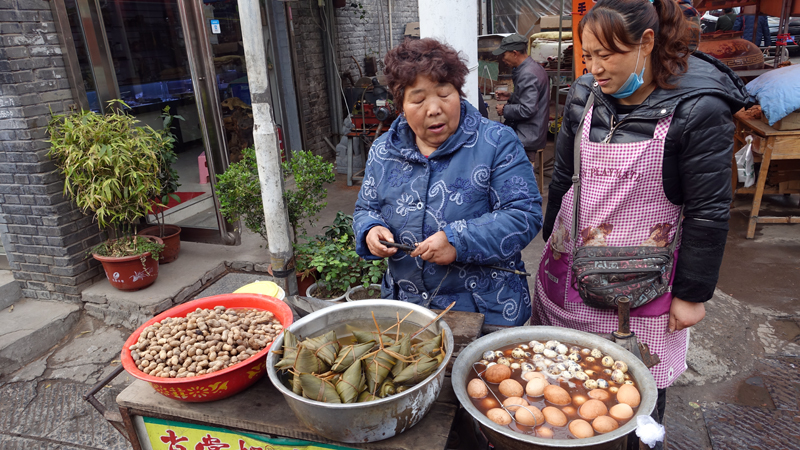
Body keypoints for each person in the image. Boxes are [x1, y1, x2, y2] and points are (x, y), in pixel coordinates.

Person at [531, 0, 746, 436]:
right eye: (588, 55)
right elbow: (564, 180)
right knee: (565, 384)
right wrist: (549, 240)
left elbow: (708, 210)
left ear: (646, 43)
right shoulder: (584, 95)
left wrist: (692, 294)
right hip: (569, 271)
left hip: (642, 287)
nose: (595, 68)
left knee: (631, 398)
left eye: (606, 55)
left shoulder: (698, 109)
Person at [353, 38, 543, 326]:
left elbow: (524, 216)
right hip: (407, 311)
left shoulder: (496, 143)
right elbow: (366, 208)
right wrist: (370, 229)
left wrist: (458, 240)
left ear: (459, 92)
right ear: (401, 105)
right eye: (418, 100)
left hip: (484, 311)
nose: (434, 109)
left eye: (444, 94)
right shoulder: (383, 151)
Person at [492, 33, 550, 163]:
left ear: (514, 53)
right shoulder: (531, 68)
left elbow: (528, 109)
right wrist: (510, 96)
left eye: (504, 54)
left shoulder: (528, 74)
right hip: (531, 130)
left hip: (528, 135)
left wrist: (505, 109)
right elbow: (530, 98)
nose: (502, 59)